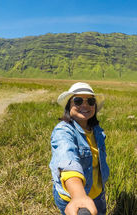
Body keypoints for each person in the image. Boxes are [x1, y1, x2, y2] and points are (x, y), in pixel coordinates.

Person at [49, 82, 109, 215]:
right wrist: (79, 196)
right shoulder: (63, 131)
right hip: (73, 196)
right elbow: (67, 160)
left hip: (98, 193)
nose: (85, 105)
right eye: (78, 100)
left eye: (91, 101)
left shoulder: (97, 131)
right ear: (68, 105)